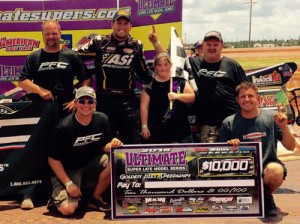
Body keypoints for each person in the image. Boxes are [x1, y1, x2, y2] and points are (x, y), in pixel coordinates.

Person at [18, 19, 92, 210]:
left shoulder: (71, 55)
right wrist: (40, 90)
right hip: (41, 113)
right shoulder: (34, 56)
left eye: (54, 33)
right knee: (39, 153)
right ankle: (31, 193)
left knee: (62, 153)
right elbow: (22, 81)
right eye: (47, 33)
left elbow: (86, 79)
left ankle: (61, 190)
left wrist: (77, 100)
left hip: (66, 112)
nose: (51, 37)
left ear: (60, 33)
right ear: (43, 35)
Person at [77, 10, 165, 144]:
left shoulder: (136, 45)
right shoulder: (99, 41)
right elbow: (75, 56)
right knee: (105, 141)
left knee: (133, 141)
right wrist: (85, 78)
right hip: (104, 100)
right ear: (112, 24)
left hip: (128, 101)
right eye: (119, 23)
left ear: (130, 26)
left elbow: (145, 73)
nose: (122, 27)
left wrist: (156, 43)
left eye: (125, 23)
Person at [218, 81, 300, 217]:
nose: (247, 99)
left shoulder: (272, 118)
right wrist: (230, 146)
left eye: (251, 96)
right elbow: (219, 156)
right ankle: (248, 197)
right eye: (243, 97)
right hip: (240, 170)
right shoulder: (229, 122)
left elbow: (290, 147)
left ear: (259, 99)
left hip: (267, 166)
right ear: (237, 100)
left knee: (275, 170)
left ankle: (266, 197)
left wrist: (284, 127)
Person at [48, 86, 123, 216]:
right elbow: (53, 159)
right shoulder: (64, 127)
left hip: (89, 165)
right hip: (68, 171)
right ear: (75, 103)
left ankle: (94, 198)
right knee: (68, 210)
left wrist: (112, 144)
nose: (86, 105)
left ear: (95, 104)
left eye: (90, 101)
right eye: (82, 101)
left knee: (117, 158)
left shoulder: (102, 119)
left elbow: (104, 146)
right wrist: (69, 183)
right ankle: (55, 198)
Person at [186, 30, 248, 143]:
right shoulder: (194, 63)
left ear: (222, 46)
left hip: (232, 120)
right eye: (208, 44)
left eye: (215, 44)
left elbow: (247, 89)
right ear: (203, 45)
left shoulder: (232, 65)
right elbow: (173, 61)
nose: (211, 47)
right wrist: (156, 42)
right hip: (207, 123)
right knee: (209, 156)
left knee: (235, 154)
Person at [140, 52, 195, 143]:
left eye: (166, 64)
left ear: (171, 65)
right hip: (158, 130)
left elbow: (192, 97)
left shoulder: (179, 81)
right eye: (159, 65)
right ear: (155, 67)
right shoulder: (148, 86)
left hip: (181, 130)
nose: (163, 68)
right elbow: (144, 107)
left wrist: (177, 96)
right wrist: (144, 126)